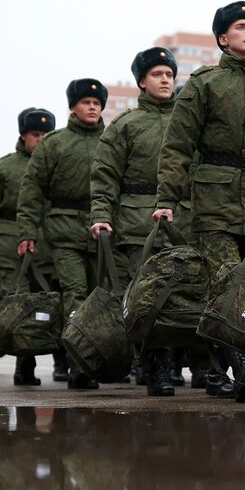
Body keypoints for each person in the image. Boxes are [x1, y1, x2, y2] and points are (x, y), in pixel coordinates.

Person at [154, 2, 245, 403]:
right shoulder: (204, 83)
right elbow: (178, 146)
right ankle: (241, 365)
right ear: (223, 38)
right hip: (214, 199)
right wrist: (167, 198)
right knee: (226, 282)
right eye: (240, 27)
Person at [92, 47, 188, 397]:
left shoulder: (187, 119)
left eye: (169, 74)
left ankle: (191, 364)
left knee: (180, 295)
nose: (165, 80)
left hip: (180, 220)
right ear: (141, 82)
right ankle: (156, 364)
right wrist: (101, 216)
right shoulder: (126, 125)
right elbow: (104, 176)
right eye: (157, 74)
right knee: (148, 299)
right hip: (136, 223)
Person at [17, 79, 107, 390]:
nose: (92, 107)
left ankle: (99, 358)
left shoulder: (111, 141)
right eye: (86, 102)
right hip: (63, 229)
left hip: (102, 230)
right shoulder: (54, 143)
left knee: (100, 296)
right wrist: (28, 231)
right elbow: (31, 189)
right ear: (73, 107)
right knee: (75, 293)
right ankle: (76, 364)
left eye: (97, 103)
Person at [0, 108, 56, 386]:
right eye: (35, 135)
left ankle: (64, 362)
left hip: (51, 242)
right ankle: (24, 365)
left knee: (56, 302)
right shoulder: (3, 168)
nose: (41, 140)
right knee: (19, 305)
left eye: (46, 135)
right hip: (10, 246)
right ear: (23, 136)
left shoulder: (60, 163)